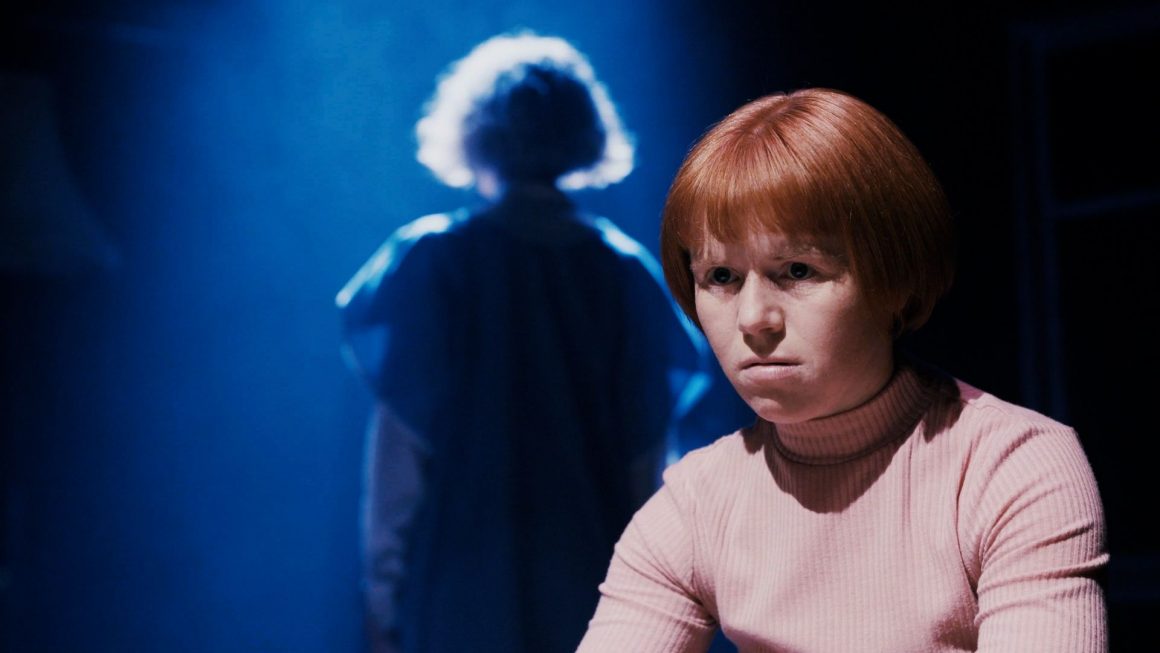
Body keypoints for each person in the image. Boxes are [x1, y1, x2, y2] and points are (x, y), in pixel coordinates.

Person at [577, 88, 1108, 652]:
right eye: (722, 277)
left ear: (894, 277)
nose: (753, 319)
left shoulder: (1011, 465)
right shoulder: (696, 501)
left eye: (797, 270)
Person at [335, 31, 714, 653]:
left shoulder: (434, 262)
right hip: (590, 590)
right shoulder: (624, 275)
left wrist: (382, 595)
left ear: (475, 131)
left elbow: (398, 458)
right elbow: (647, 471)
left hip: (458, 595)